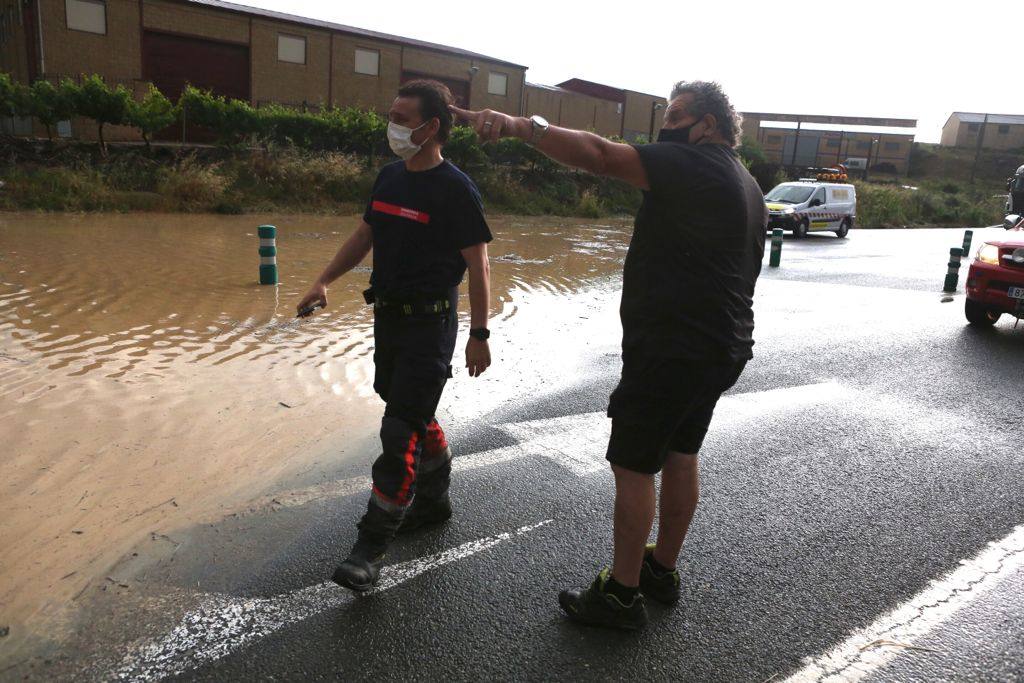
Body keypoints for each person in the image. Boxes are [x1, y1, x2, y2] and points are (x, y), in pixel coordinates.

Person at [452, 81, 766, 630]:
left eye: (674, 116)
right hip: (723, 346)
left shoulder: (691, 163)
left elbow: (599, 155)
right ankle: (661, 570)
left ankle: (621, 595)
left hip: (673, 348)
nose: (665, 126)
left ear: (707, 126)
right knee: (681, 455)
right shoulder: (748, 184)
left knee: (634, 464)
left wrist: (522, 127)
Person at [297, 80, 493, 592]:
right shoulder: (388, 179)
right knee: (409, 409)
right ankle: (434, 502)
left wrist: (479, 332)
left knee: (397, 429)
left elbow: (480, 266)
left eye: (404, 119)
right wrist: (323, 281)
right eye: (392, 115)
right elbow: (365, 236)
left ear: (431, 128)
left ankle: (370, 546)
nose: (394, 126)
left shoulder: (456, 189)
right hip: (389, 319)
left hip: (432, 324)